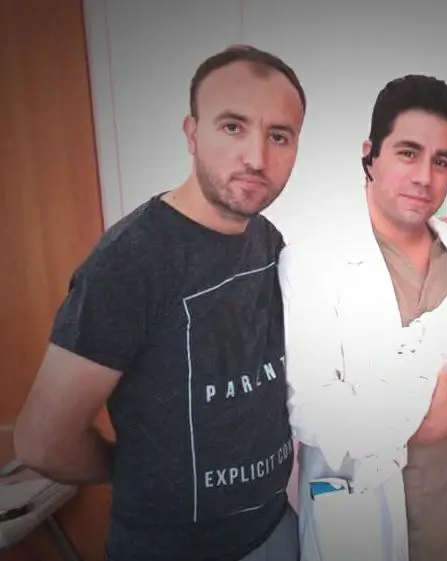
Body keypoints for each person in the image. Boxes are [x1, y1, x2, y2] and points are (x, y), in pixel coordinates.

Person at [12, 45, 307, 561]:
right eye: (232, 127)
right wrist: (127, 469)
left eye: (278, 136)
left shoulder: (266, 239)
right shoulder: (130, 262)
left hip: (274, 525)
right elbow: (42, 441)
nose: (257, 158)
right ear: (192, 134)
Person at [278, 74, 447, 561]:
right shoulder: (312, 260)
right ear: (370, 155)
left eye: (442, 161)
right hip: (371, 524)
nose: (424, 177)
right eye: (408, 153)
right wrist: (418, 430)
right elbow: (308, 408)